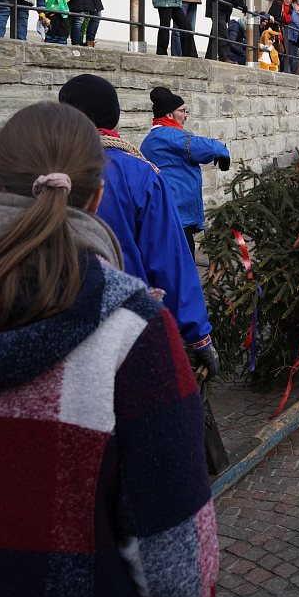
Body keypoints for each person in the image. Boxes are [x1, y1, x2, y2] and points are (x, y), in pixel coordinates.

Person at [0, 100, 219, 597]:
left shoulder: (146, 153)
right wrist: (196, 333)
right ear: (94, 200)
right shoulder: (134, 334)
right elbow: (181, 580)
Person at [58, 74, 219, 374]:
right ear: (114, 117)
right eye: (182, 111)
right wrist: (198, 335)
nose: (185, 115)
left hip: (58, 328)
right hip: (127, 329)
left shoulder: (42, 169)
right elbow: (170, 263)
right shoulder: (138, 171)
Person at [140, 86, 231, 257]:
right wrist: (223, 151)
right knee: (183, 263)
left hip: (169, 212)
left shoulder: (153, 138)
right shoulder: (168, 134)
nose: (186, 115)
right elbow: (201, 146)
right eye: (182, 111)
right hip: (175, 214)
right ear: (169, 115)